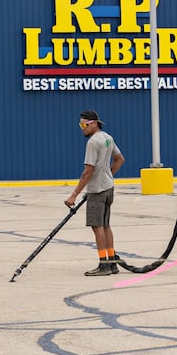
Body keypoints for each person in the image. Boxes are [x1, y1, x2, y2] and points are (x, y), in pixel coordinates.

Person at [65, 110, 125, 276]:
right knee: (105, 225)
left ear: (93, 123)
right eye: (81, 125)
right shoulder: (107, 138)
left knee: (97, 226)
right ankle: (112, 262)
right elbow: (120, 159)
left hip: (98, 190)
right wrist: (107, 175)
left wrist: (74, 195)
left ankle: (103, 264)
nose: (82, 128)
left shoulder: (93, 142)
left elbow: (88, 171)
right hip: (108, 187)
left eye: (84, 125)